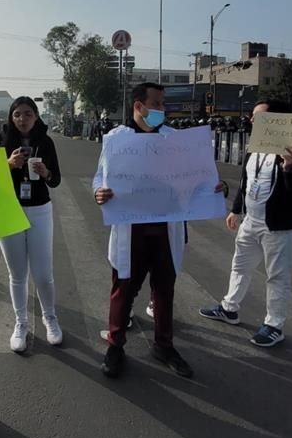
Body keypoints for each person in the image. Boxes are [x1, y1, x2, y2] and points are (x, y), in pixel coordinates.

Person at [94, 83, 226, 379]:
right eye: (157, 104)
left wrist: (213, 188)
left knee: (164, 290)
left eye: (163, 104)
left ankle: (164, 345)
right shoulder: (118, 140)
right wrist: (98, 193)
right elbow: (99, 179)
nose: (162, 110)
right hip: (132, 230)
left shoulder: (173, 140)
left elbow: (193, 179)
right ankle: (115, 345)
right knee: (123, 290)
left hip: (166, 230)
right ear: (138, 106)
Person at [199, 100, 292, 348]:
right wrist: (236, 209)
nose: (252, 120)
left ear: (277, 120)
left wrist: (290, 168)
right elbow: (246, 181)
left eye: (258, 117)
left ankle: (274, 325)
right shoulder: (255, 147)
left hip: (278, 226)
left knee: (277, 276)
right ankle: (229, 308)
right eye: (253, 116)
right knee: (239, 266)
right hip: (250, 221)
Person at [0, 97, 63, 352]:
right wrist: (8, 165)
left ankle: (50, 317)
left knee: (43, 274)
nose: (23, 119)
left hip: (40, 210)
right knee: (17, 274)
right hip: (8, 211)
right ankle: (20, 323)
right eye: (17, 114)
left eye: (28, 114)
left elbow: (56, 181)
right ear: (11, 117)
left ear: (36, 116)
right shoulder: (0, 141)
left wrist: (44, 173)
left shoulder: (46, 141)